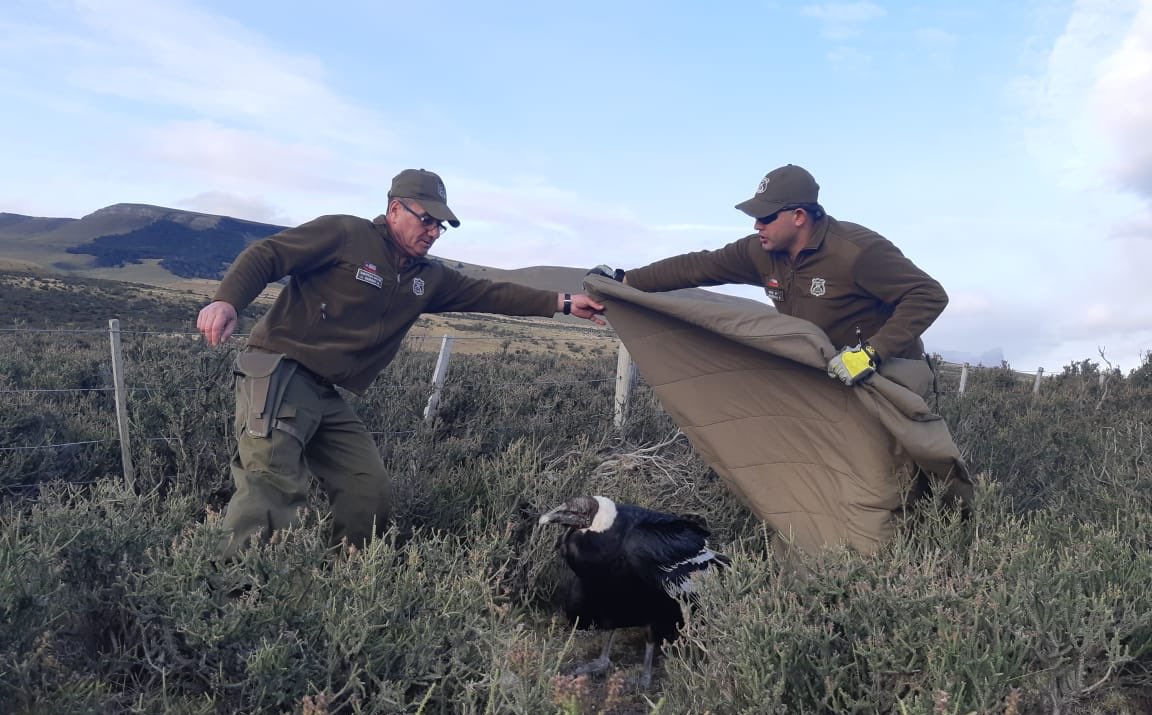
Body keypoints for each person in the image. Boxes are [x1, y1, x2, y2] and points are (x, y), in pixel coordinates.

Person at [197, 168, 606, 558]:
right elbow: (268, 253)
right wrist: (227, 299)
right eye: (426, 219)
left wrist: (566, 303)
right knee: (272, 485)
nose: (433, 232)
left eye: (440, 225)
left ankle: (349, 582)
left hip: (325, 392)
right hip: (280, 369)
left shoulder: (427, 277)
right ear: (395, 209)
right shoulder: (347, 234)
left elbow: (492, 294)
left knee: (368, 489)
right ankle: (231, 598)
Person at [598, 164, 947, 392]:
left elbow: (928, 295)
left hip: (888, 374)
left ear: (798, 216)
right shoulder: (760, 252)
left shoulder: (856, 252)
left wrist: (870, 354)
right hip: (828, 376)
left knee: (903, 474)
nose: (756, 225)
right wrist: (624, 280)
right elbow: (697, 266)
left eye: (765, 217)